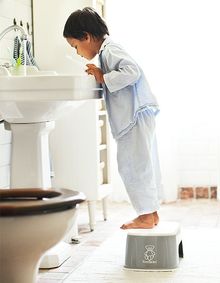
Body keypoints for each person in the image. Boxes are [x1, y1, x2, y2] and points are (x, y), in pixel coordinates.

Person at [63, 7, 163, 229]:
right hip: (137, 115)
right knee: (140, 165)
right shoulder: (108, 51)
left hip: (135, 116)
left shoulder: (110, 50)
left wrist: (103, 76)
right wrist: (103, 76)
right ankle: (150, 214)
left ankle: (146, 216)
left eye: (76, 46)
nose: (77, 53)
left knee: (132, 166)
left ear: (86, 37)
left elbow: (132, 71)